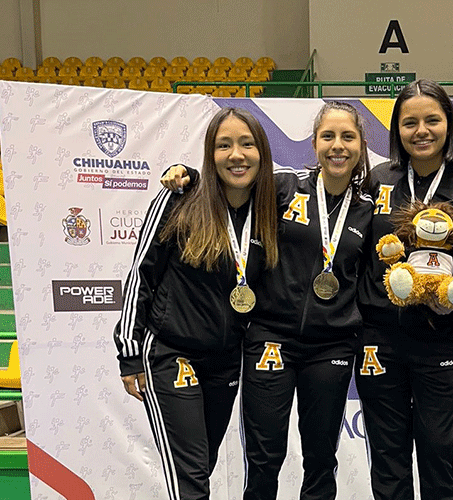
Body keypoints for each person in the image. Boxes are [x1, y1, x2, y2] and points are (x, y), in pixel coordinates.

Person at [162, 101, 373, 500]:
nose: (337, 146)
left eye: (347, 137)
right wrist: (187, 175)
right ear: (314, 143)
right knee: (264, 457)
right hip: (269, 338)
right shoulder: (282, 188)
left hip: (333, 345)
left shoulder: (366, 210)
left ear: (362, 145)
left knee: (321, 457)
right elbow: (231, 184)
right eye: (328, 136)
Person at [114, 107, 278, 500]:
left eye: (246, 144)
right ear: (210, 153)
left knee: (201, 466)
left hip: (226, 361)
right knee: (189, 478)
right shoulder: (180, 200)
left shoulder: (272, 209)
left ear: (263, 153)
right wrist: (129, 354)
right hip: (171, 351)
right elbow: (142, 274)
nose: (236, 155)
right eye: (224, 145)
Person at [355, 79, 453, 500]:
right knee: (387, 455)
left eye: (432, 120)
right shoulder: (376, 180)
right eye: (409, 122)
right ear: (396, 130)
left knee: (436, 451)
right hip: (378, 338)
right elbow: (353, 247)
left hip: (440, 341)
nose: (421, 131)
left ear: (448, 126)